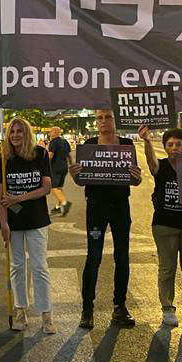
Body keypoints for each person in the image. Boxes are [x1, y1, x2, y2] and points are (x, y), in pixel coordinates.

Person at [69, 108, 142, 330]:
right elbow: (82, 181)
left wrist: (136, 178)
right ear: (95, 121)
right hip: (96, 207)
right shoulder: (89, 146)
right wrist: (75, 175)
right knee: (93, 257)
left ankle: (119, 306)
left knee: (122, 257)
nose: (103, 122)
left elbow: (134, 180)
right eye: (99, 118)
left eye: (107, 117)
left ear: (115, 120)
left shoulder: (127, 145)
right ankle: (87, 308)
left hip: (120, 206)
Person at [140, 125, 182, 328]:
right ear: (165, 147)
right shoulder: (161, 167)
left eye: (178, 144)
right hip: (165, 225)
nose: (174, 148)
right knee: (167, 268)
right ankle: (167, 309)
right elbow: (151, 163)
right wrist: (146, 141)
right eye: (169, 144)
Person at [0, 117, 54, 333]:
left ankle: (46, 314)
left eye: (20, 131)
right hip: (14, 222)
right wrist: (3, 222)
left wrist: (18, 198)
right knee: (17, 266)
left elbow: (46, 187)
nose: (16, 135)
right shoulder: (4, 159)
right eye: (12, 132)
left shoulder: (39, 154)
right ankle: (20, 310)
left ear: (26, 133)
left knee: (39, 266)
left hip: (37, 219)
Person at [47, 125, 72, 217]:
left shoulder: (53, 142)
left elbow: (50, 155)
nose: (49, 134)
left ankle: (65, 203)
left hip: (55, 168)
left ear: (55, 132)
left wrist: (45, 164)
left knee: (53, 187)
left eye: (51, 132)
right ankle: (57, 207)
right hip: (64, 167)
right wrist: (71, 165)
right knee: (59, 188)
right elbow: (69, 155)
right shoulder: (64, 141)